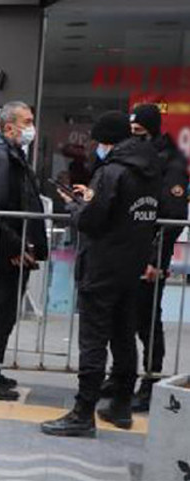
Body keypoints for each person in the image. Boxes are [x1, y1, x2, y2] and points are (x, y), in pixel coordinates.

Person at [42, 111, 160, 437]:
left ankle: (83, 413)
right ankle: (121, 406)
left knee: (93, 340)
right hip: (131, 265)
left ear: (107, 140)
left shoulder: (111, 172)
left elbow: (91, 220)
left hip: (102, 265)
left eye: (97, 141)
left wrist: (74, 204)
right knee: (124, 337)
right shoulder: (150, 169)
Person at [102, 104, 189, 412]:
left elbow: (172, 218)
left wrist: (156, 260)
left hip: (150, 258)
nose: (133, 138)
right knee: (120, 318)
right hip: (128, 252)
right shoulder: (137, 159)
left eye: (139, 132)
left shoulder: (170, 163)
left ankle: (151, 381)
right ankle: (118, 376)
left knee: (147, 320)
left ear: (151, 130)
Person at [0, 101, 48, 401]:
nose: (31, 128)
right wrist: (16, 246)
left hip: (11, 249)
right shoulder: (2, 158)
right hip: (7, 253)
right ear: (8, 127)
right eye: (26, 121)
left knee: (3, 315)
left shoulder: (13, 156)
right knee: (0, 314)